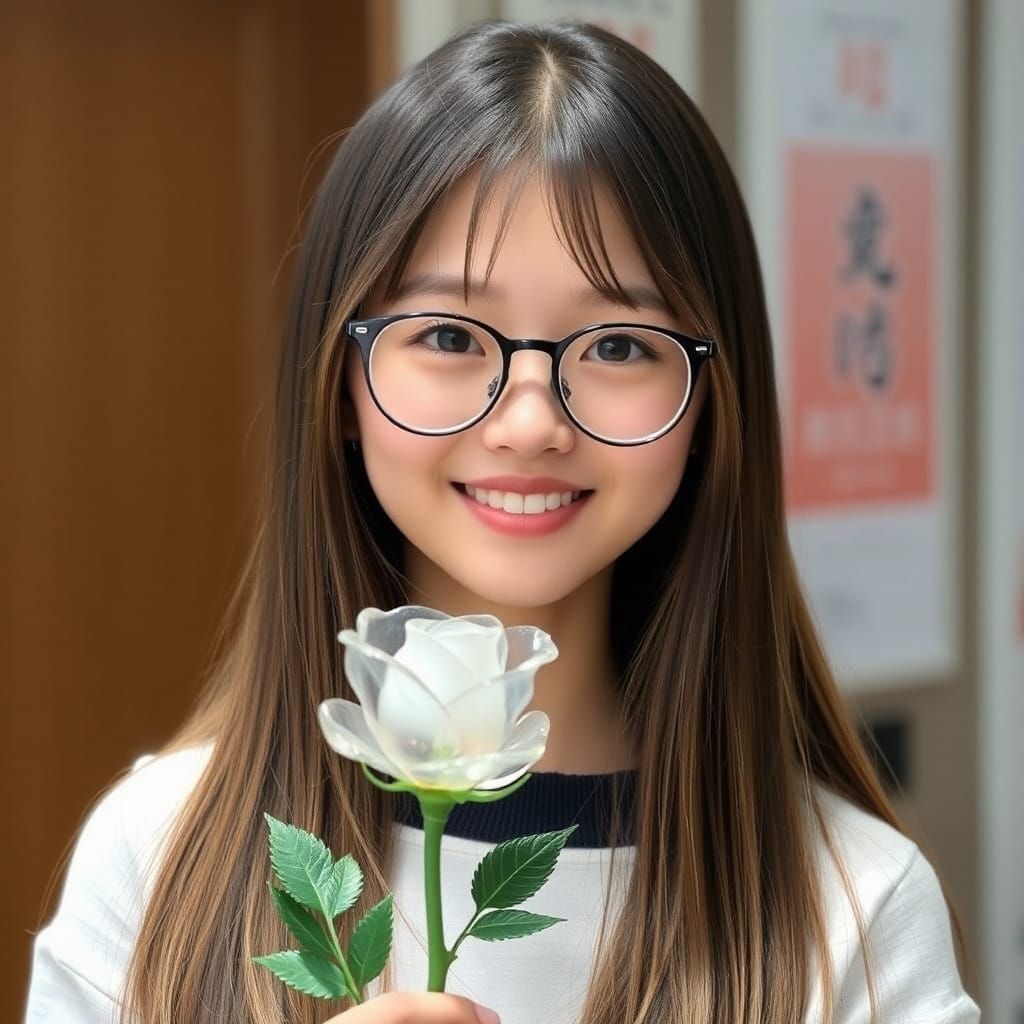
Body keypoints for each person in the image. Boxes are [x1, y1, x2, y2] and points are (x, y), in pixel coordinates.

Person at [24, 18, 980, 1024]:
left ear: (709, 400)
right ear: (339, 382)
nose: (530, 421)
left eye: (617, 346)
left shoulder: (856, 913)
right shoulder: (157, 861)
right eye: (444, 334)